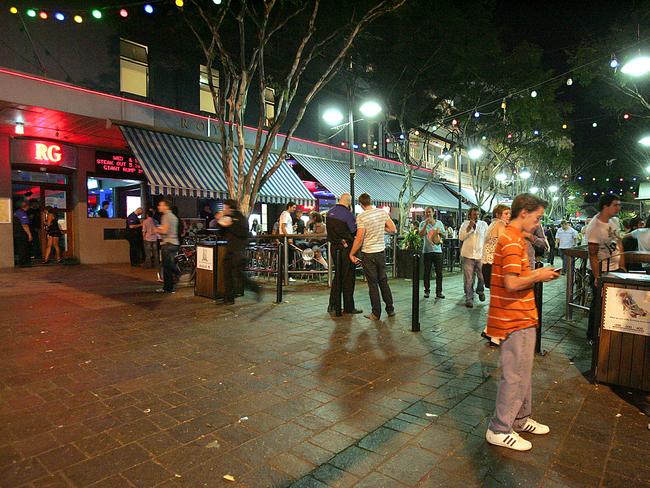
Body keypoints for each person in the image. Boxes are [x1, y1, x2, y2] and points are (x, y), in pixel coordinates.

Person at [485, 193, 560, 451]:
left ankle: (519, 419)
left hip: (520, 314)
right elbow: (512, 282)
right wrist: (538, 274)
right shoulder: (511, 240)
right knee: (515, 375)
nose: (539, 223)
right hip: (513, 315)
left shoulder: (515, 237)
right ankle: (500, 428)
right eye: (538, 217)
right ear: (524, 213)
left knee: (522, 373)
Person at [349, 193, 397, 320]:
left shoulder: (361, 217)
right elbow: (393, 229)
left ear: (361, 204)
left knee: (373, 284)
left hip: (368, 253)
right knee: (383, 281)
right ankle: (390, 309)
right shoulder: (381, 213)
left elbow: (359, 238)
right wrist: (382, 228)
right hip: (380, 252)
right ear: (371, 201)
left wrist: (352, 253)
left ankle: (376, 313)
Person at [585, 195, 625, 341]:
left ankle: (608, 333)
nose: (618, 208)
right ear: (605, 206)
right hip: (601, 270)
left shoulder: (614, 221)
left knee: (614, 302)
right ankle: (592, 336)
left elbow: (619, 242)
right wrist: (597, 277)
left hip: (615, 268)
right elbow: (593, 254)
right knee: (598, 304)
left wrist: (622, 265)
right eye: (615, 205)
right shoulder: (594, 227)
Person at [218, 199, 261, 304]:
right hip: (230, 250)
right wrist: (221, 223)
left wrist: (230, 225)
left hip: (238, 251)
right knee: (227, 274)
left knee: (238, 275)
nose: (224, 210)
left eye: (225, 208)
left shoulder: (240, 219)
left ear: (230, 208)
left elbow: (243, 233)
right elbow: (222, 233)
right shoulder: (228, 218)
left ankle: (255, 288)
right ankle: (228, 298)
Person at [326, 193, 361, 314]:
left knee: (338, 276)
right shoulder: (347, 214)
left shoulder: (329, 213)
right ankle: (349, 307)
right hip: (346, 249)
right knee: (348, 277)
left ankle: (333, 304)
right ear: (349, 202)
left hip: (334, 248)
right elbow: (354, 231)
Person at [459, 207, 488, 308]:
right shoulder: (464, 224)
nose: (476, 216)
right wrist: (469, 228)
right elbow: (461, 237)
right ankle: (469, 299)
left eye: (478, 214)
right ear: (470, 215)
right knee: (469, 278)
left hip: (480, 255)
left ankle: (480, 290)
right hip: (468, 255)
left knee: (482, 276)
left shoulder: (483, 224)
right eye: (474, 214)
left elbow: (487, 238)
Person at [419, 207, 446, 299]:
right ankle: (427, 291)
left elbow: (445, 235)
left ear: (433, 213)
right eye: (426, 212)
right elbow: (420, 235)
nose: (428, 214)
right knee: (426, 272)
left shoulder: (439, 223)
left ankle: (439, 292)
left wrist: (440, 233)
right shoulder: (422, 223)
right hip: (427, 251)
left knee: (439, 272)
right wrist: (426, 225)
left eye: (429, 212)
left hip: (438, 251)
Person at [156, 199, 179, 294]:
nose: (159, 207)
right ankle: (171, 284)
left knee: (166, 266)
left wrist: (156, 229)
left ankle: (168, 288)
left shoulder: (165, 216)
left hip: (167, 243)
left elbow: (164, 231)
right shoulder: (174, 216)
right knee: (170, 264)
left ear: (166, 206)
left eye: (160, 205)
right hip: (174, 243)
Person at [13, 200, 32, 267]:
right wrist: (29, 234)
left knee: (19, 248)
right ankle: (22, 263)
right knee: (23, 248)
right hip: (21, 233)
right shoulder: (22, 213)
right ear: (26, 206)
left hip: (16, 233)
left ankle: (20, 262)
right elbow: (25, 225)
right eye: (28, 206)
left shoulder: (17, 212)